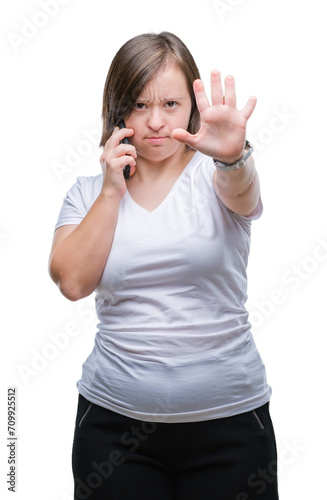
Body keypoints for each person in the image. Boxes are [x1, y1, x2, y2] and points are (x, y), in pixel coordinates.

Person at [49, 31, 279, 500]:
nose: (155, 121)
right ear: (118, 110)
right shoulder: (87, 193)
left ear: (191, 108)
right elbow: (72, 282)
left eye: (171, 104)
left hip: (232, 426)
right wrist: (112, 189)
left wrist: (234, 158)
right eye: (138, 104)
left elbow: (244, 194)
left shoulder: (219, 174)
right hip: (113, 431)